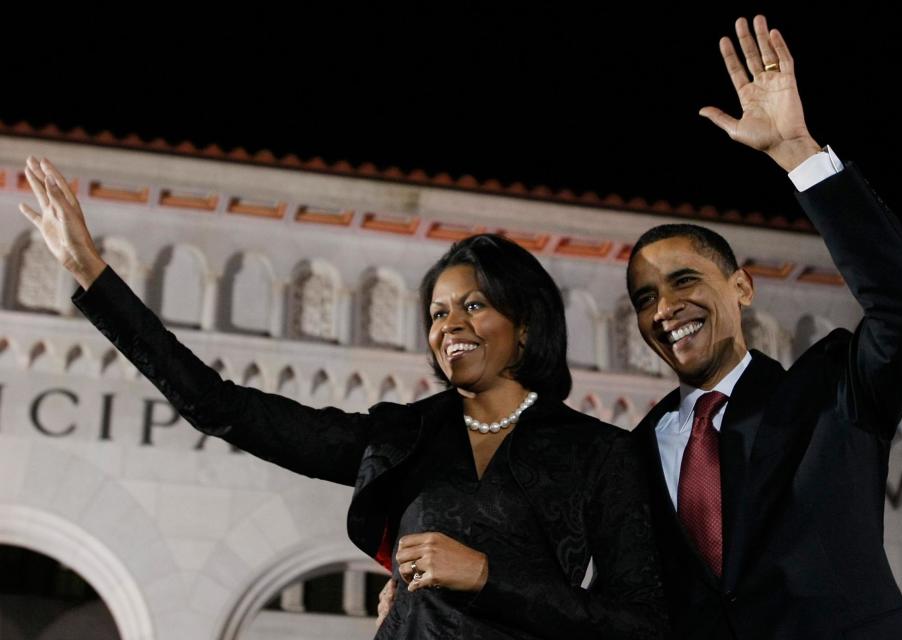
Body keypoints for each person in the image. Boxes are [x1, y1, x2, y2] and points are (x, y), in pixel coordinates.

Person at [17, 167, 668, 639]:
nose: (450, 325)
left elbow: (639, 625)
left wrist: (485, 576)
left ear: (525, 323)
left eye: (473, 305)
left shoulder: (599, 453)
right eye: (438, 312)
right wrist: (93, 277)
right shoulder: (403, 437)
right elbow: (222, 407)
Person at [627, 15, 902, 640]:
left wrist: (795, 152)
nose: (664, 307)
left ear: (742, 287)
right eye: (644, 297)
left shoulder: (835, 394)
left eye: (684, 281)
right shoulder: (629, 455)